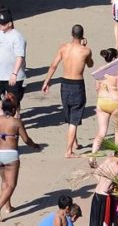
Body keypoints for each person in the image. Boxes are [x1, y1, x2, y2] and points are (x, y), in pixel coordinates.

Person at [40, 25, 95, 158]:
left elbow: (53, 65)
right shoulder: (86, 50)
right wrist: (86, 47)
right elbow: (90, 64)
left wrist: (46, 81)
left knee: (70, 114)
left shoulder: (63, 48)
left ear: (71, 34)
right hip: (77, 85)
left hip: (64, 84)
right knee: (74, 119)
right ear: (82, 36)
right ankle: (69, 151)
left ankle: (74, 142)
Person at [0, 94, 27, 220]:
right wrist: (35, 145)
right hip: (11, 155)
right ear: (14, 110)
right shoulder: (16, 122)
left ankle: (8, 206)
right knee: (11, 184)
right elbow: (26, 139)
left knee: (4, 181)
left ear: (3, 108)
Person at [0, 10, 30, 111]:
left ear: (9, 24)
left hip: (13, 75)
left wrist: (14, 73)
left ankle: (16, 120)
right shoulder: (0, 32)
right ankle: (2, 114)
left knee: (14, 100)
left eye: (2, 23)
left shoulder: (17, 37)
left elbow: (20, 57)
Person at [92, 55, 118, 156]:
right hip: (114, 102)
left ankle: (93, 155)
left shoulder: (100, 70)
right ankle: (117, 155)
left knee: (101, 131)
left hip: (102, 101)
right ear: (115, 58)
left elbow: (97, 88)